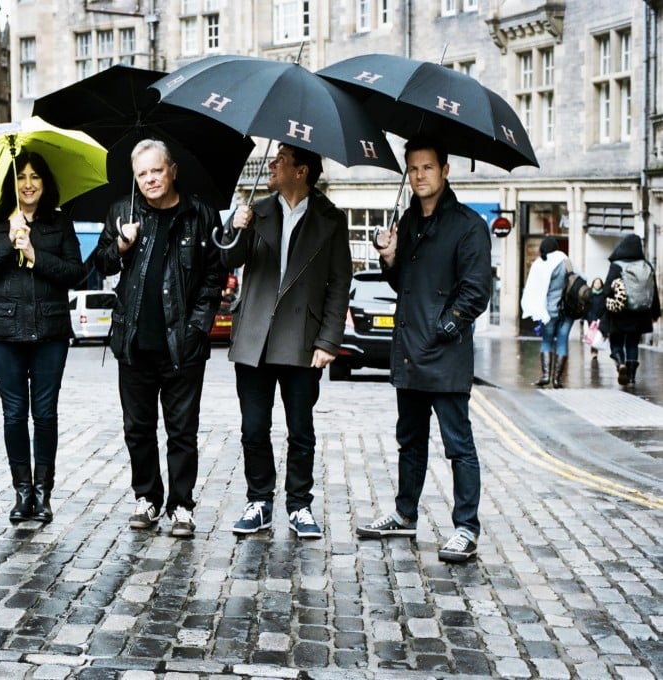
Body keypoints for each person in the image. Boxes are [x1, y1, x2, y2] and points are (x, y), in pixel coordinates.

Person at [356, 135, 492, 563]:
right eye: (412, 168)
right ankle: (404, 514)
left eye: (427, 167)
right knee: (410, 441)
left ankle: (466, 527)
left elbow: (475, 292)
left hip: (445, 352)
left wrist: (443, 327)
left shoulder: (469, 225)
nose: (418, 176)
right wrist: (389, 257)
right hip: (408, 350)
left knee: (458, 445)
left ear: (445, 170)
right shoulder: (408, 223)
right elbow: (403, 285)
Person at [93, 139, 226, 538]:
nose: (150, 179)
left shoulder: (201, 214)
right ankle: (147, 498)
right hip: (134, 341)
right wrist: (121, 244)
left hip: (181, 345)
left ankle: (182, 506)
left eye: (156, 170)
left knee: (182, 430)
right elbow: (99, 262)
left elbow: (213, 277)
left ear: (172, 170)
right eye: (142, 174)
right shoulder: (123, 211)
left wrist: (197, 328)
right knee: (138, 427)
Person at [222, 143, 352, 539]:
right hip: (254, 337)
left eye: (282, 159)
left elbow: (339, 283)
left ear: (302, 172)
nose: (273, 164)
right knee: (254, 428)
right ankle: (259, 501)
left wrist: (328, 340)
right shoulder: (255, 210)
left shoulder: (331, 219)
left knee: (301, 430)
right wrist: (235, 226)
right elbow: (228, 259)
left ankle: (299, 505)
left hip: (302, 338)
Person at [0, 150, 83, 524]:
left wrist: (34, 253)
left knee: (45, 414)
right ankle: (22, 493)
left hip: (50, 331)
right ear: (12, 183)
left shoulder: (59, 223)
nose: (29, 183)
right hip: (5, 331)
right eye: (22, 176)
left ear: (44, 182)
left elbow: (75, 273)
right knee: (14, 414)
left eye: (35, 176)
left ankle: (42, 492)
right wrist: (9, 239)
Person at [602, 234, 661, 386]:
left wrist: (602, 307)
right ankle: (632, 377)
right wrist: (655, 313)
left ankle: (621, 364)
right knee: (633, 344)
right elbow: (653, 291)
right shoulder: (646, 265)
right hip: (640, 313)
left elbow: (607, 288)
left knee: (616, 341)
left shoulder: (617, 265)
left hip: (620, 312)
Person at [520, 236, 574, 388]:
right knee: (563, 342)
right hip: (567, 310)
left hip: (548, 311)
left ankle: (545, 376)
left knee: (547, 341)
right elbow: (580, 278)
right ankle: (557, 380)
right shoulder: (565, 260)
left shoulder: (539, 264)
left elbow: (532, 289)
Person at [585, 277, 606, 361]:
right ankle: (594, 352)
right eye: (596, 283)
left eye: (599, 283)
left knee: (598, 335)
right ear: (593, 284)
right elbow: (585, 307)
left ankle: (595, 350)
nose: (597, 284)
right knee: (592, 336)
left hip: (600, 318)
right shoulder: (589, 294)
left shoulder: (603, 295)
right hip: (590, 318)